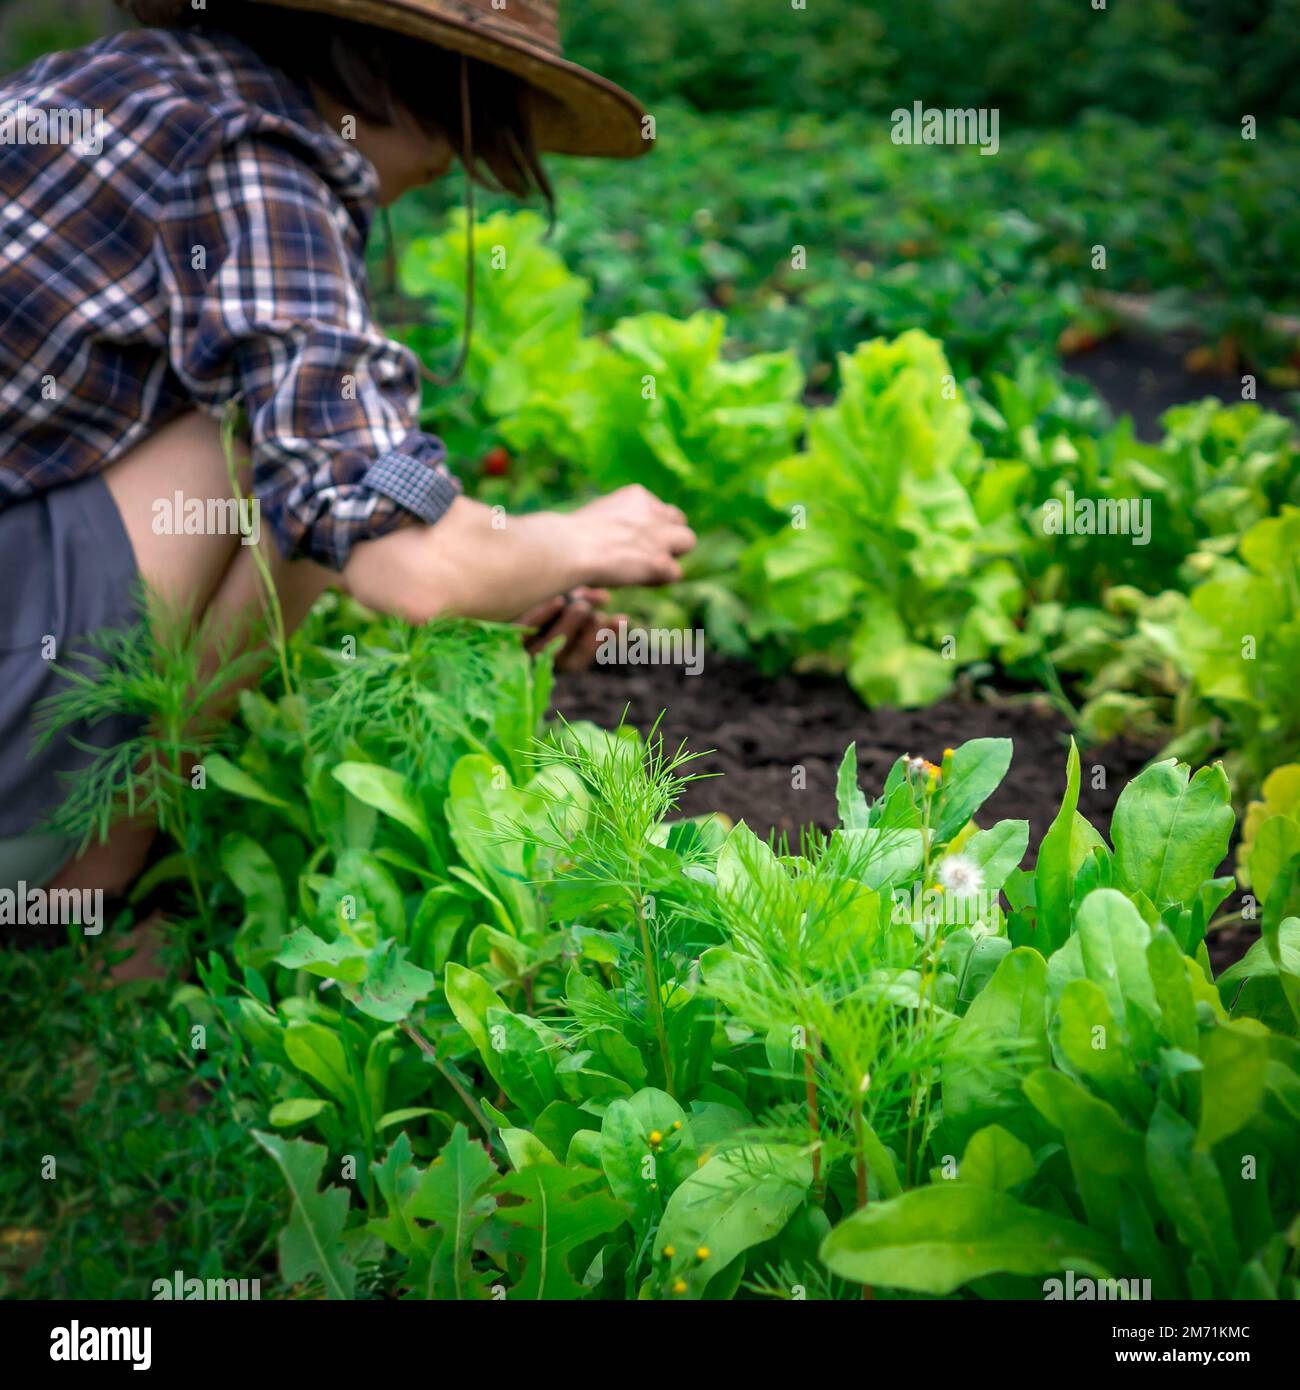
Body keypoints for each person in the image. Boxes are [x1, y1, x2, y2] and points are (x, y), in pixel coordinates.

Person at [0, 0, 696, 898]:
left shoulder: (115, 83)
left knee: (296, 454)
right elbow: (401, 567)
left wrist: (501, 557)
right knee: (267, 463)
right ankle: (87, 895)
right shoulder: (257, 154)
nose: (459, 163)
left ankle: (73, 899)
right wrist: (577, 537)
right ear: (419, 71)